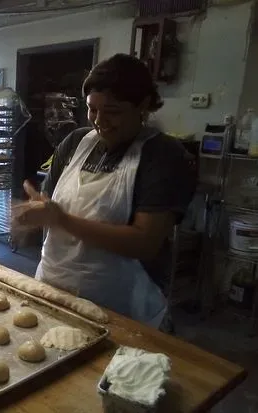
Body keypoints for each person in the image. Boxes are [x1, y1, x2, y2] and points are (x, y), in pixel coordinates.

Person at [13, 54, 196, 328]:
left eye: (113, 111)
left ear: (143, 105)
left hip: (120, 305)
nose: (100, 121)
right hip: (54, 286)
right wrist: (33, 214)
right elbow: (50, 206)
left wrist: (61, 219)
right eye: (92, 109)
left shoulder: (163, 155)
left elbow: (144, 243)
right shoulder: (75, 142)